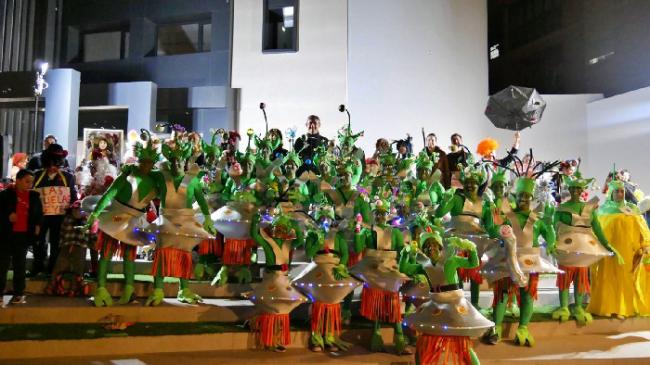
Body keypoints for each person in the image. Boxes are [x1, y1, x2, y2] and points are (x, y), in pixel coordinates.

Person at [588, 175, 650, 318]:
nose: (620, 194)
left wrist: (645, 244)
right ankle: (609, 307)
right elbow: (596, 229)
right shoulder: (603, 210)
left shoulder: (631, 208)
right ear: (611, 193)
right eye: (617, 191)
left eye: (622, 191)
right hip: (608, 250)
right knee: (608, 278)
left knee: (625, 278)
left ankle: (623, 308)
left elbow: (642, 228)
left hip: (628, 250)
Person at [32, 144, 78, 275]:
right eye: (51, 164)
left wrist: (74, 206)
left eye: (56, 165)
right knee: (39, 241)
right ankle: (38, 266)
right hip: (40, 216)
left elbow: (73, 197)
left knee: (56, 242)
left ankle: (53, 268)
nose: (53, 168)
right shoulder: (37, 176)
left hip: (59, 216)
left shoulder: (68, 177)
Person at [0, 170, 43, 305]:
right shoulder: (5, 195)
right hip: (6, 234)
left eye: (31, 182)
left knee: (20, 265)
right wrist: (8, 216)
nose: (29, 185)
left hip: (23, 235)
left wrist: (38, 226)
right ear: (17, 180)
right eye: (26, 181)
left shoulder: (34, 196)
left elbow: (39, 213)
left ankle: (19, 293)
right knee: (2, 265)